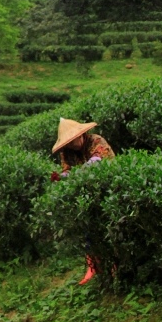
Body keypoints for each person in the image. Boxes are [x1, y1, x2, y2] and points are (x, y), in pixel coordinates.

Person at [51, 117, 115, 284]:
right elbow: (66, 170)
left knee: (109, 226)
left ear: (82, 134)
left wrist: (73, 174)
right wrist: (61, 177)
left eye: (75, 139)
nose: (73, 144)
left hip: (108, 188)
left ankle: (115, 263)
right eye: (69, 142)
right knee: (88, 229)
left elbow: (97, 162)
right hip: (86, 193)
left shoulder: (96, 140)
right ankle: (93, 266)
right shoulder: (67, 152)